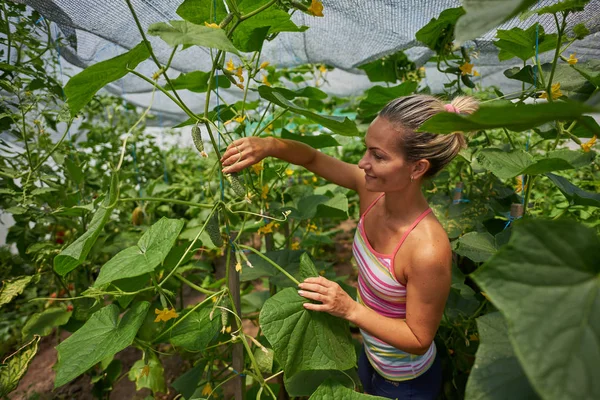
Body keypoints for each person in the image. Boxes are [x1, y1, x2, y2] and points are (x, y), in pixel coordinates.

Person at [220, 94, 478, 399]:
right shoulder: (373, 193)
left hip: (405, 381)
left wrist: (348, 309)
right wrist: (269, 146)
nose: (362, 163)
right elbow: (312, 158)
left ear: (418, 168)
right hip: (369, 357)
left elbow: (418, 337)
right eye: (367, 149)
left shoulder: (428, 249)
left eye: (378, 156)